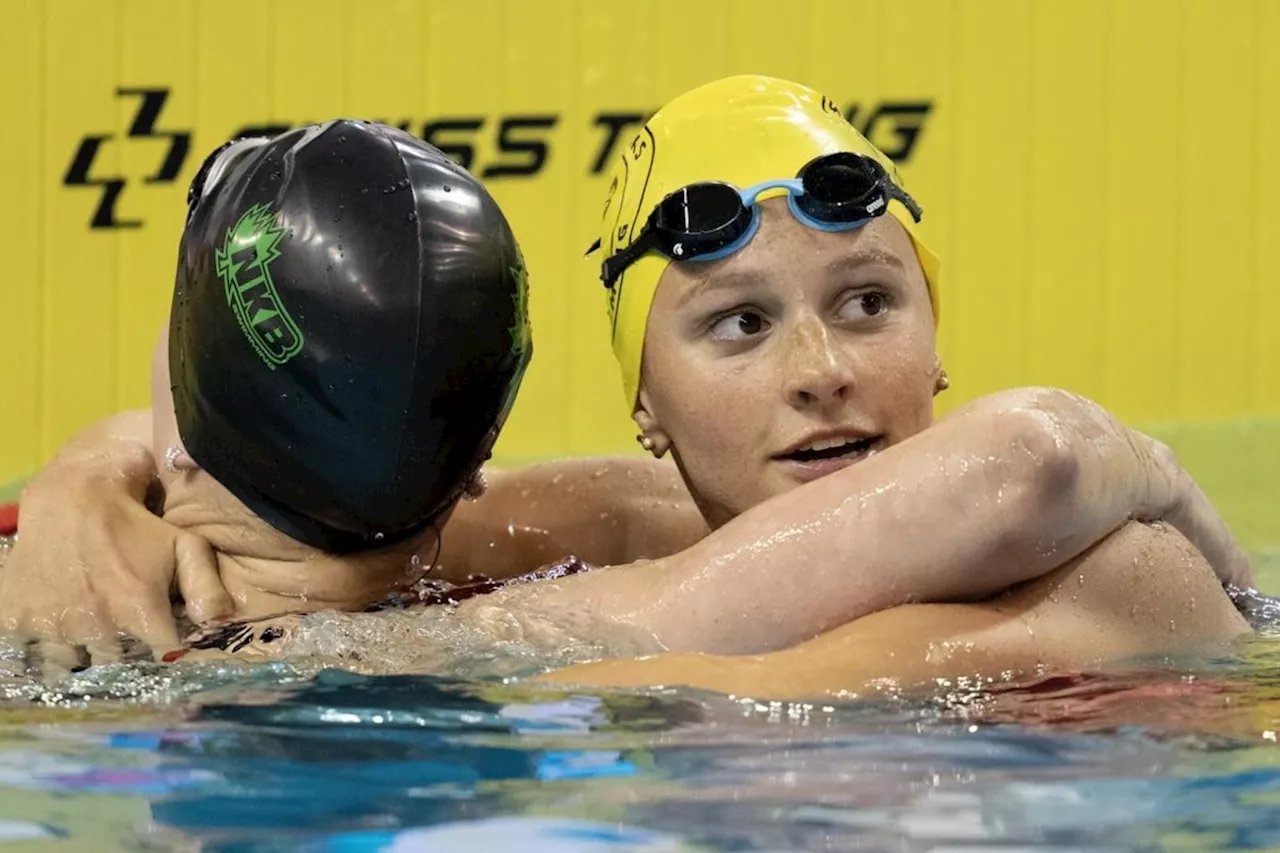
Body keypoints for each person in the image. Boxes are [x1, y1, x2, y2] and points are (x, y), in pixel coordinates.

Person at [0, 81, 1252, 688]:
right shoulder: (623, 521)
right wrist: (77, 493)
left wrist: (334, 660)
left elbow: (1031, 455)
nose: (820, 375)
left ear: (937, 344)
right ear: (643, 411)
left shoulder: (1122, 576)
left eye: (867, 303)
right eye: (738, 325)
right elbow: (304, 462)